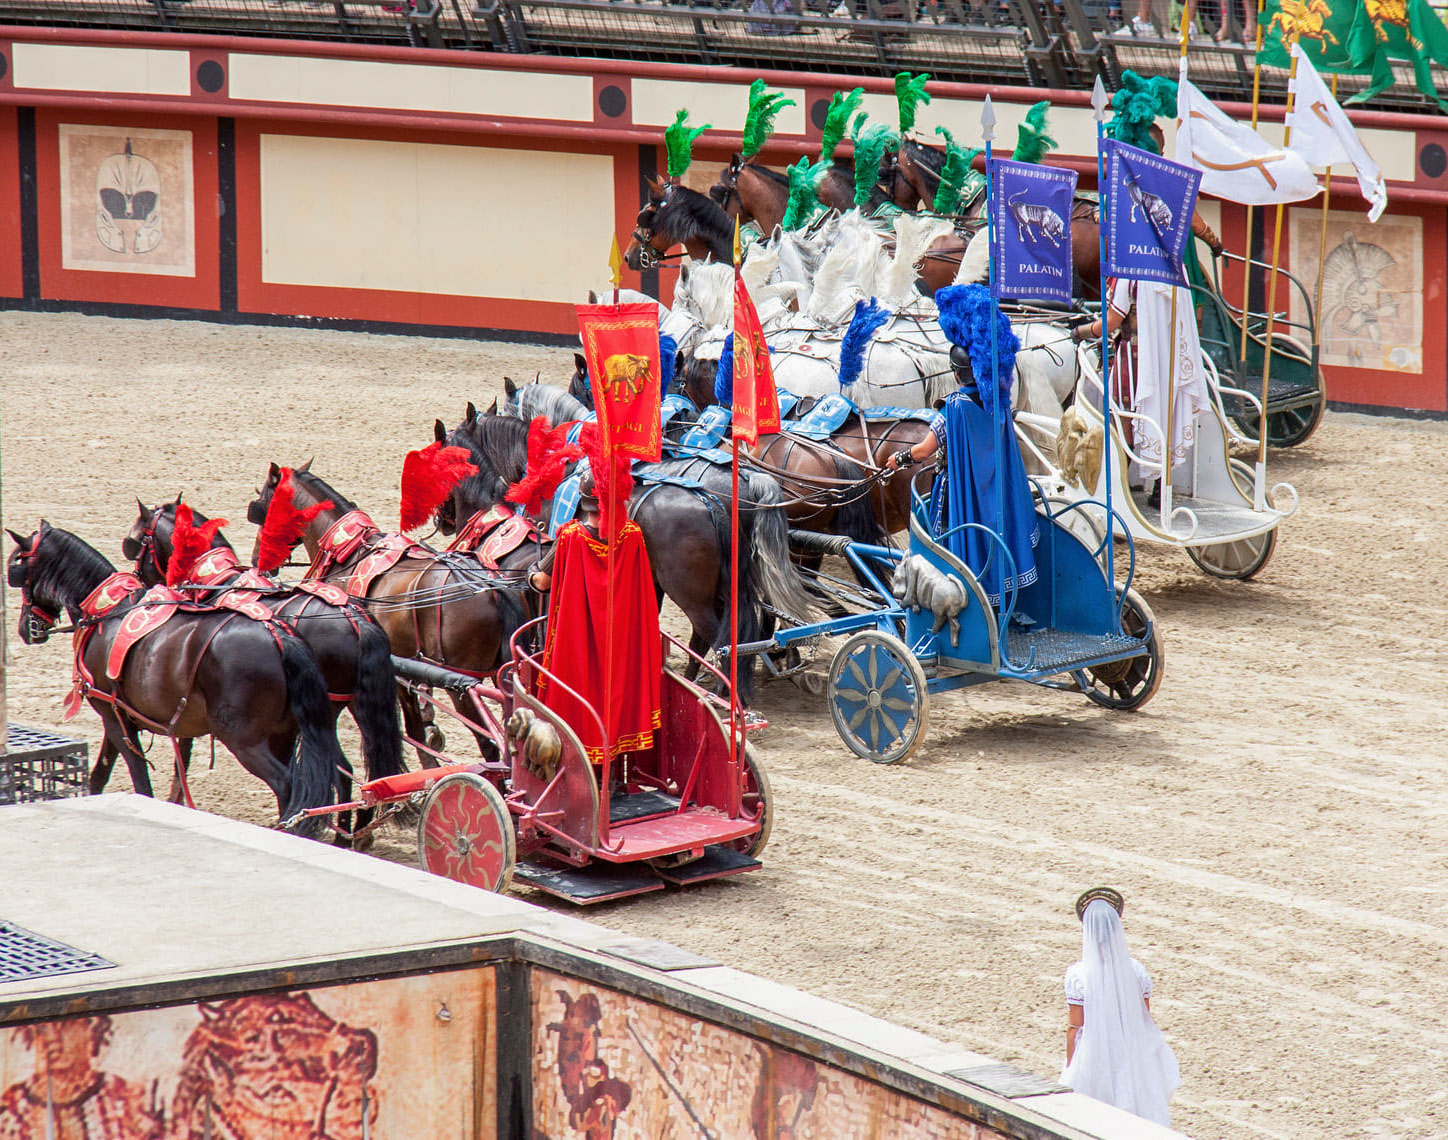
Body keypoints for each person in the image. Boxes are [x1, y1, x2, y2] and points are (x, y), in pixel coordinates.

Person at [887, 303, 1039, 607]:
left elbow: (924, 451)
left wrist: (899, 459)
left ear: (957, 375)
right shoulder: (999, 401)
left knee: (943, 537)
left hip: (962, 494)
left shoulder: (953, 409)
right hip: (998, 490)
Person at [1061, 888, 1180, 1127]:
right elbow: (1144, 1018)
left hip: (1095, 1050)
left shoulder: (1078, 974)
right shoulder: (1135, 970)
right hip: (1131, 1048)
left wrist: (1071, 1065)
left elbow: (1075, 1026)